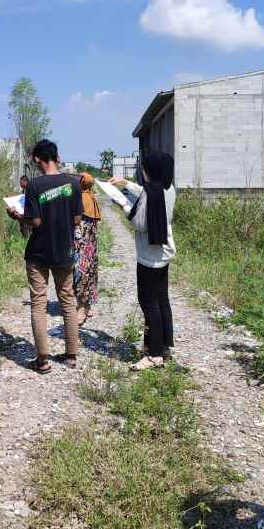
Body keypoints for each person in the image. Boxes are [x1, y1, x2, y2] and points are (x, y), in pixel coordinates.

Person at [7, 139, 83, 374]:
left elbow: (36, 221)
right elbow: (77, 219)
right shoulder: (73, 183)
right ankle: (71, 356)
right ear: (57, 157)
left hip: (39, 252)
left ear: (37, 160)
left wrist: (17, 216)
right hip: (64, 250)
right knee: (67, 300)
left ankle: (42, 361)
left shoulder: (34, 185)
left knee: (38, 303)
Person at [110, 151, 176, 371]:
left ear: (152, 171)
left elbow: (139, 224)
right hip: (163, 252)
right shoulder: (168, 188)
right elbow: (144, 192)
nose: (143, 172)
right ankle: (164, 346)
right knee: (162, 299)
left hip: (149, 257)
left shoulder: (150, 193)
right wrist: (125, 183)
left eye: (144, 169)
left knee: (149, 303)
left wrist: (123, 204)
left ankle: (154, 354)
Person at [73, 173, 101, 325]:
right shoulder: (90, 197)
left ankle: (82, 307)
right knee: (89, 271)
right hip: (89, 245)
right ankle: (87, 305)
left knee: (81, 271)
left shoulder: (81, 198)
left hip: (82, 244)